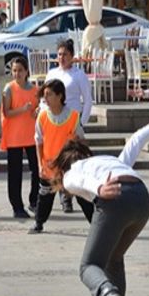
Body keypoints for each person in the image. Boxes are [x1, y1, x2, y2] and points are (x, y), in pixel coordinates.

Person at [53, 112, 149, 296]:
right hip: (142, 199)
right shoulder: (109, 161)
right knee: (114, 260)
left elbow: (76, 181)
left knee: (89, 266)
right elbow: (137, 138)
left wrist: (98, 188)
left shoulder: (72, 172)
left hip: (115, 199)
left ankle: (104, 291)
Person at [29, 79, 92, 234]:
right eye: (44, 95)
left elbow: (81, 140)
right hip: (49, 165)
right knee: (44, 196)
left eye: (49, 95)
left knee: (82, 196)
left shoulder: (73, 117)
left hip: (69, 166)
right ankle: (39, 222)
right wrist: (40, 164)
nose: (45, 99)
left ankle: (96, 223)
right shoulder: (42, 116)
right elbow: (38, 141)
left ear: (60, 96)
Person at [44, 39, 93, 213]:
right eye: (59, 54)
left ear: (72, 56)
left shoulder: (78, 75)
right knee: (57, 160)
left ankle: (72, 195)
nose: (62, 57)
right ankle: (62, 195)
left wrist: (82, 122)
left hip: (72, 124)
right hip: (54, 124)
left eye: (65, 54)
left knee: (72, 161)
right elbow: (45, 99)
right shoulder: (52, 74)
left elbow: (87, 101)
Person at [0, 56, 39, 218]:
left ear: (26, 71)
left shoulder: (34, 90)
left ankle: (34, 201)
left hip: (32, 136)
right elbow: (6, 112)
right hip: (15, 136)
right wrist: (22, 109)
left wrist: (36, 111)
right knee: (15, 173)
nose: (17, 74)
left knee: (36, 170)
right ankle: (17, 206)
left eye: (20, 70)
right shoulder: (9, 89)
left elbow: (39, 109)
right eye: (14, 71)